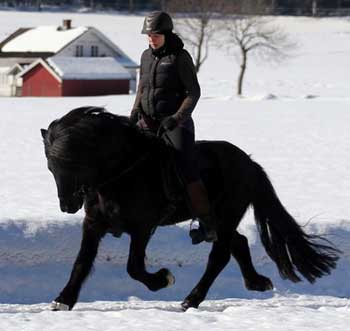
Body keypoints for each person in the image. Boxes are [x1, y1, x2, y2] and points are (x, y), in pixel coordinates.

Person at [130, 11, 217, 244]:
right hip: (147, 120)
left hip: (175, 124)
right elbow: (142, 88)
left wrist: (176, 118)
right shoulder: (145, 56)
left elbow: (193, 93)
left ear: (166, 34)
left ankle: (207, 223)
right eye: (148, 35)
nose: (151, 39)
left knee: (185, 166)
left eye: (156, 34)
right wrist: (135, 111)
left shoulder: (180, 58)